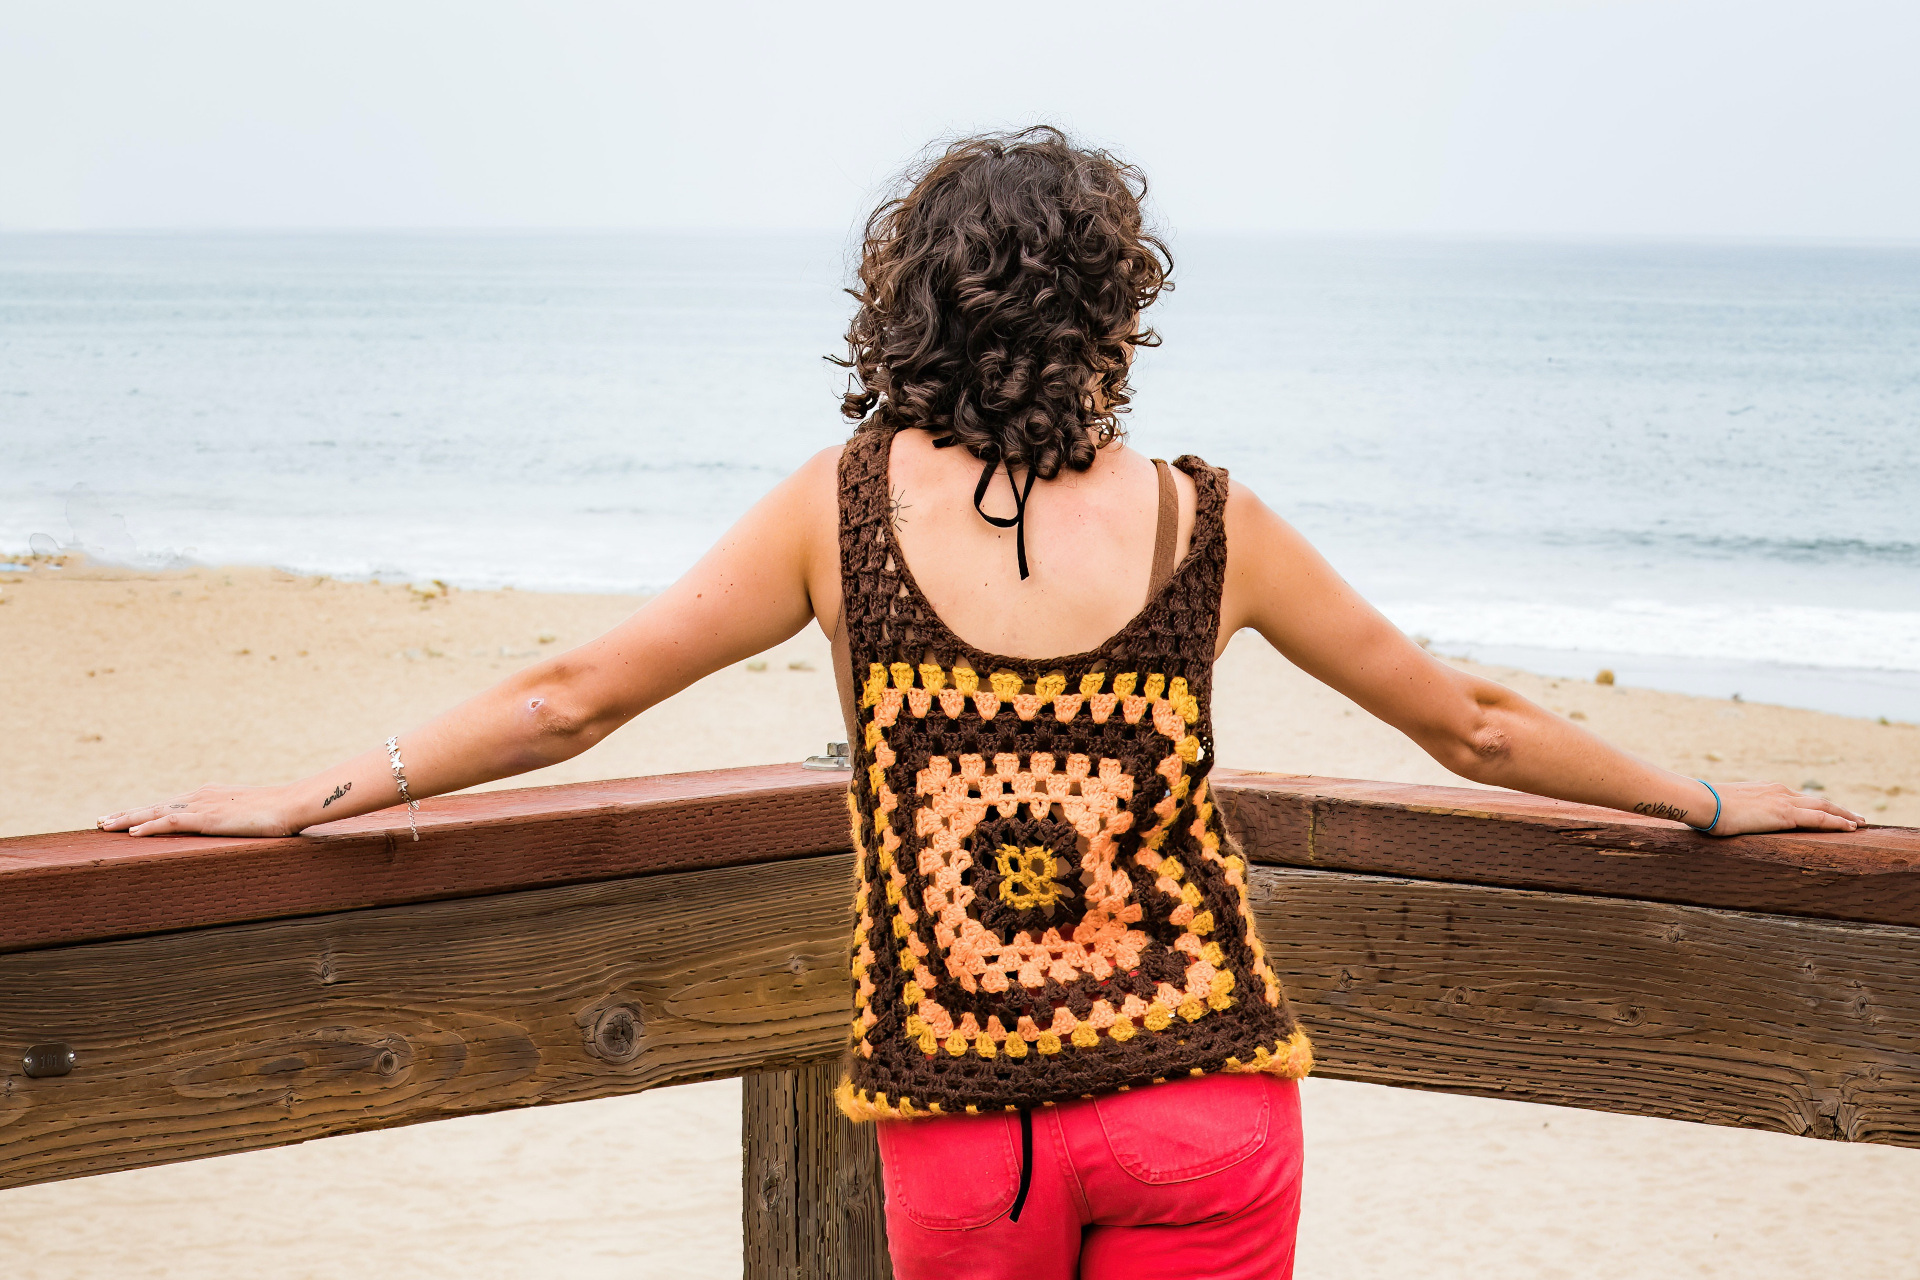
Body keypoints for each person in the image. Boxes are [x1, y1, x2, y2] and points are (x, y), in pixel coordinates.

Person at [98, 126, 1862, 1279]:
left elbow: (569, 701)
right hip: (1207, 1106)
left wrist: (308, 794)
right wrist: (1706, 803)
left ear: (911, 304)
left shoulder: (840, 508)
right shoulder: (1206, 522)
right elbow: (1467, 725)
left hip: (969, 1130)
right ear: (1118, 305)